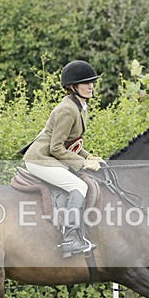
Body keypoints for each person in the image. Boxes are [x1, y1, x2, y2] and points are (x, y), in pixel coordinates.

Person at [21, 60, 104, 257]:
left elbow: (71, 143)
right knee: (79, 187)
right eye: (86, 83)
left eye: (92, 82)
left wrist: (88, 155)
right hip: (40, 159)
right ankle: (70, 239)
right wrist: (83, 163)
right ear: (72, 87)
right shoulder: (67, 109)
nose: (91, 86)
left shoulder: (81, 106)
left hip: (51, 156)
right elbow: (56, 147)